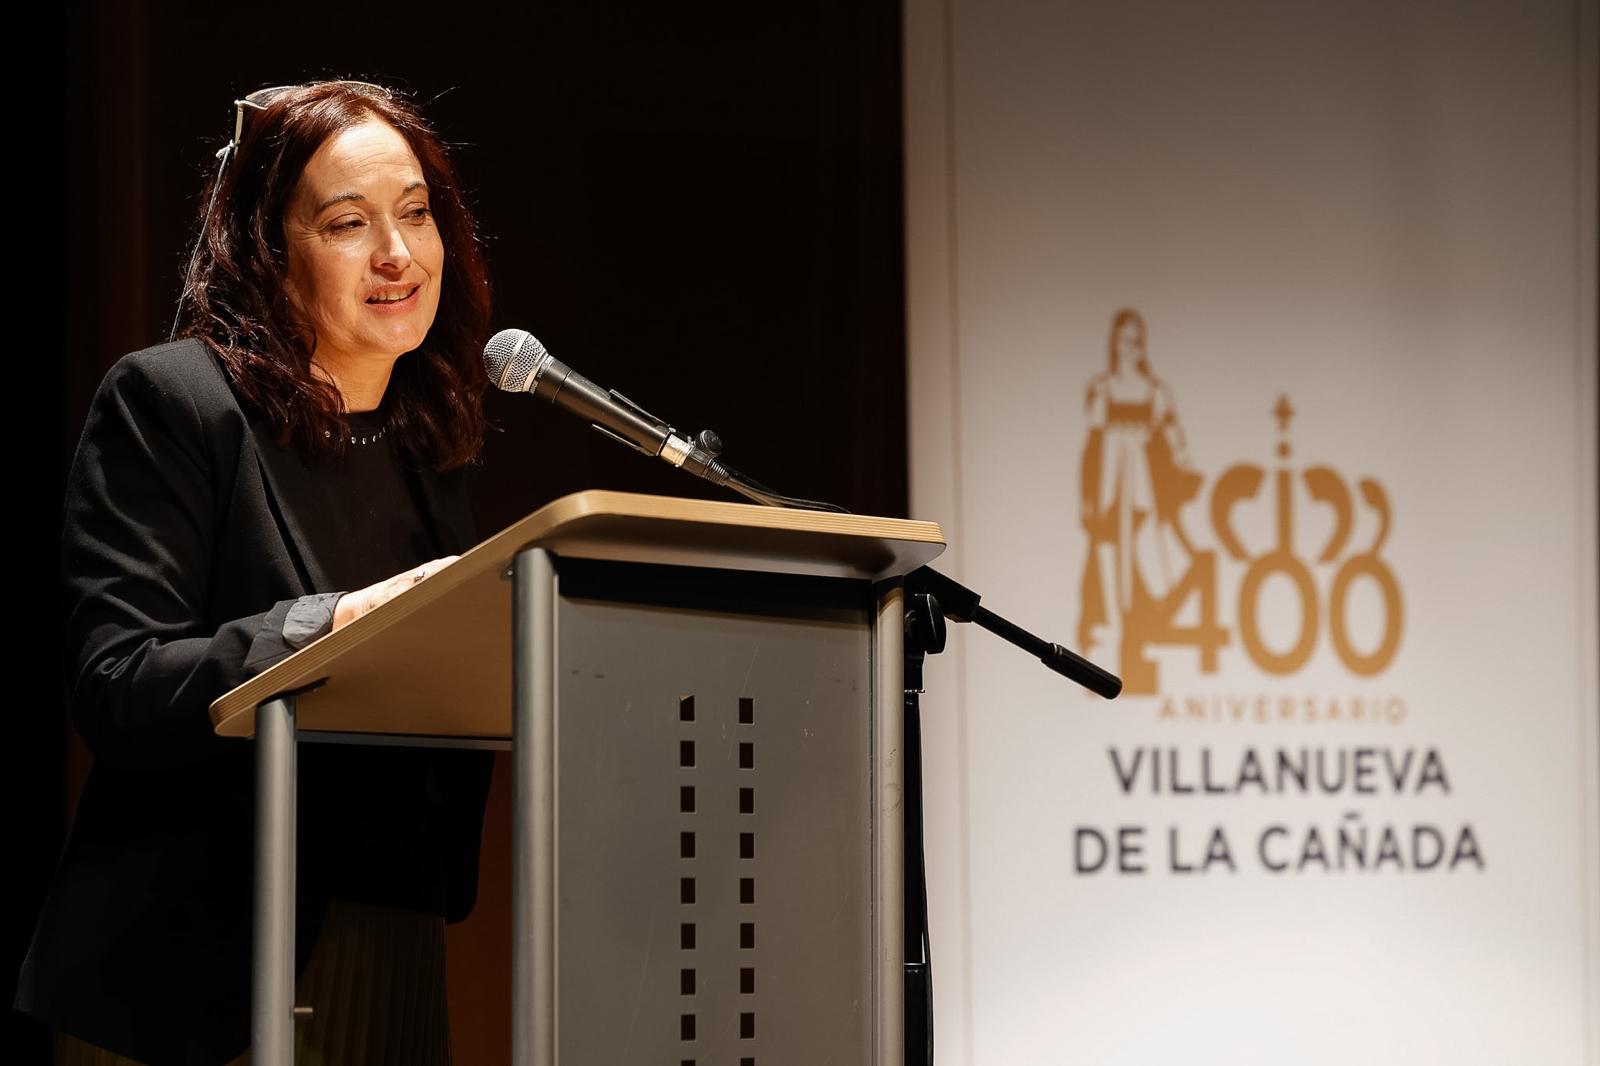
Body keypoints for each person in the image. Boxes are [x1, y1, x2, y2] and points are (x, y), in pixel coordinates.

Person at [17, 80, 497, 1065]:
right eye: (348, 222)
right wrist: (329, 623)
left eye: (415, 213)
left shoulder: (425, 440)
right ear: (272, 251)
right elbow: (118, 682)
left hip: (388, 928)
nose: (396, 253)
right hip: (192, 968)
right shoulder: (173, 401)